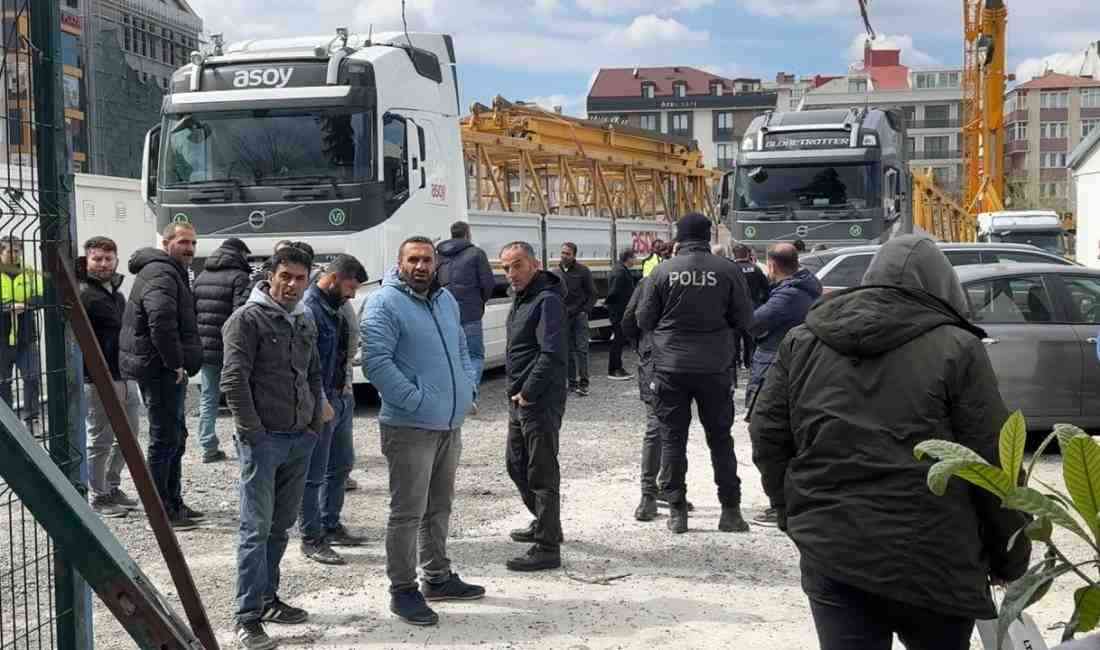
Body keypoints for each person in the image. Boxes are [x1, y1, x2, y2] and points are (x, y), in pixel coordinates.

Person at [750, 235, 1031, 650]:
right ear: (943, 288)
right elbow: (991, 459)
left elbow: (767, 433)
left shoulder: (804, 340)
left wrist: (793, 511)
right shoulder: (957, 348)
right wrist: (1009, 555)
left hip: (834, 552)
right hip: (936, 560)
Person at [363, 236, 484, 627]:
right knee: (407, 513)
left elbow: (461, 348)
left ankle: (437, 576)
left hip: (449, 423)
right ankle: (402, 589)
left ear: (436, 264)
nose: (420, 266)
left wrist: (466, 389)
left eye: (427, 260)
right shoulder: (384, 302)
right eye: (413, 259)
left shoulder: (445, 300)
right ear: (400, 263)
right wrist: (414, 401)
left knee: (439, 506)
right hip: (409, 426)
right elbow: (376, 362)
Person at [221, 245, 323, 650]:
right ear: (270, 276)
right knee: (255, 530)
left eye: (300, 279)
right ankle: (246, 617)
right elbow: (234, 381)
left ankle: (268, 598)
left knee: (280, 527)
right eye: (286, 277)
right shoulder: (246, 320)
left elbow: (313, 373)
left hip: (300, 440)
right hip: (263, 442)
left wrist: (313, 425)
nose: (292, 285)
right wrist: (254, 433)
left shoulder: (304, 318)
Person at [636, 213, 754, 535]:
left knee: (673, 439)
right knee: (721, 439)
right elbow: (745, 318)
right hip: (715, 367)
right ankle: (730, 511)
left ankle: (677, 513)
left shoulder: (662, 271)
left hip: (670, 367)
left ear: (679, 237)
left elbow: (644, 319)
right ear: (707, 236)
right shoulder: (727, 270)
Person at [120, 223, 203, 529]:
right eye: (183, 242)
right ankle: (161, 511)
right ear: (166, 243)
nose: (189, 248)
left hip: (163, 368)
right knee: (164, 439)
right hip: (160, 370)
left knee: (175, 437)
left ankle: (173, 502)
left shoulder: (169, 271)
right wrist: (175, 363)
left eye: (193, 243)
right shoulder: (161, 273)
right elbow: (161, 321)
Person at [500, 241, 568, 572]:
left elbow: (552, 353)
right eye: (506, 268)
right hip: (519, 400)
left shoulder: (547, 300)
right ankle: (545, 522)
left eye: (517, 265)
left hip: (538, 401)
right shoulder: (522, 298)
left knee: (541, 471)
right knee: (516, 464)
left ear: (535, 264)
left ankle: (547, 547)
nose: (511, 273)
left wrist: (528, 392)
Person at [743, 243, 821, 526]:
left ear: (772, 265)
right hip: (792, 366)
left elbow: (753, 323)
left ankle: (783, 505)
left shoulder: (787, 295)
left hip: (775, 369)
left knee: (767, 436)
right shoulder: (804, 287)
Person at [298, 255, 368, 565]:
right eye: (351, 288)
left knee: (340, 465)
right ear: (335, 278)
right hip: (321, 402)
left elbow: (342, 352)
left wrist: (345, 389)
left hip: (340, 396)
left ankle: (330, 524)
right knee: (313, 475)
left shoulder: (334, 307)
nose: (352, 295)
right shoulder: (310, 309)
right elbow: (306, 366)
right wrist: (320, 400)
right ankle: (312, 538)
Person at [79, 236, 141, 518]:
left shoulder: (116, 295)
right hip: (97, 380)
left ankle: (112, 486)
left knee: (129, 437)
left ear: (116, 260)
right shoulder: (83, 295)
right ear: (87, 261)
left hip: (124, 375)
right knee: (100, 439)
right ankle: (98, 495)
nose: (103, 264)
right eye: (97, 259)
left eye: (108, 259)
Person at [193, 237, 253, 464]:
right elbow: (241, 315)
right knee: (239, 397)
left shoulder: (202, 276)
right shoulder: (240, 277)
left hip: (206, 348)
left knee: (209, 396)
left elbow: (193, 311)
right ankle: (242, 446)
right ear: (240, 253)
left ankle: (207, 447)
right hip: (231, 348)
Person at [436, 221, 495, 401]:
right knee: (474, 356)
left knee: (450, 356)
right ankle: (469, 396)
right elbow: (488, 284)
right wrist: (479, 302)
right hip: (470, 314)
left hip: (445, 314)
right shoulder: (476, 253)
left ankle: (452, 397)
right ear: (467, 233)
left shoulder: (438, 255)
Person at [1, 237, 42, 428]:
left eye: (17, 251)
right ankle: (8, 424)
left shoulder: (30, 272)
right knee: (3, 382)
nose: (14, 255)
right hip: (2, 337)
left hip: (26, 335)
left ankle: (32, 419)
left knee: (32, 378)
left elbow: (42, 296)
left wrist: (26, 304)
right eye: (10, 251)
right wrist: (8, 307)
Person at [554, 242, 595, 397]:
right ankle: (572, 383)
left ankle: (584, 383)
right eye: (563, 253)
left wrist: (585, 311)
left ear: (574, 255)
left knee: (582, 350)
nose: (564, 256)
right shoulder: (556, 273)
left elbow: (592, 294)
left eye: (568, 253)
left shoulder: (583, 271)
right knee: (568, 351)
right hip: (563, 317)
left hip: (579, 316)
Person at [731, 244, 769, 372]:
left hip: (734, 311)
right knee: (750, 339)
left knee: (735, 339)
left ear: (734, 254)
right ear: (747, 254)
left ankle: (735, 364)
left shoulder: (730, 269)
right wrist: (761, 303)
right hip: (752, 309)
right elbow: (766, 288)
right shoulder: (756, 269)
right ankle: (749, 363)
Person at [605, 249, 636, 381]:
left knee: (619, 340)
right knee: (618, 341)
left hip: (619, 312)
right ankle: (615, 369)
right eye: (634, 257)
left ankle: (617, 368)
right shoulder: (620, 272)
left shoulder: (620, 269)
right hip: (619, 312)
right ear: (628, 258)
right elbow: (614, 293)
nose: (635, 260)